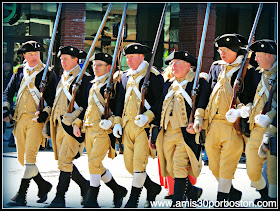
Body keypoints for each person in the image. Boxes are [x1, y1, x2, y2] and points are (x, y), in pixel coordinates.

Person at [203, 33, 259, 206]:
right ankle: (232, 192)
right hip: (213, 123)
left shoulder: (248, 70)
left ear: (235, 51)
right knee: (213, 166)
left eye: (226, 50)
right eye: (220, 50)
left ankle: (221, 202)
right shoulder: (215, 67)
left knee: (227, 166)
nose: (222, 53)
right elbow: (209, 93)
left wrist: (239, 112)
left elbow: (252, 98)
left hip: (233, 125)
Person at [150, 51, 209, 207]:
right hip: (167, 132)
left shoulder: (198, 83)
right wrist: (153, 132)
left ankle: (177, 202)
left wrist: (197, 121)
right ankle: (192, 191)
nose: (172, 66)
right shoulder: (168, 84)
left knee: (179, 166)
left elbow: (202, 104)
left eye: (177, 62)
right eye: (171, 63)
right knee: (170, 167)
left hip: (185, 132)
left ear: (188, 65)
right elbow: (159, 108)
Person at [3, 40, 57, 206]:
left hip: (36, 120)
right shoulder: (19, 71)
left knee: (30, 158)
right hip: (20, 119)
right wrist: (6, 110)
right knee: (22, 158)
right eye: (31, 54)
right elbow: (7, 92)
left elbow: (53, 98)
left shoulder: (48, 73)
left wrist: (45, 114)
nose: (34, 57)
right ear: (24, 55)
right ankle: (43, 184)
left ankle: (21, 195)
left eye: (37, 54)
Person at [113, 43, 163, 208]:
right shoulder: (126, 76)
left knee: (139, 164)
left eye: (132, 57)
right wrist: (118, 122)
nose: (129, 60)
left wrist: (148, 117)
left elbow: (159, 102)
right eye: (127, 57)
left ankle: (133, 200)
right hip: (127, 126)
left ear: (142, 57)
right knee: (129, 165)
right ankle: (152, 187)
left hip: (144, 127)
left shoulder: (153, 75)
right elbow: (120, 100)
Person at [46, 46, 92, 208]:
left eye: (66, 59)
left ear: (76, 60)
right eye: (61, 59)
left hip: (72, 127)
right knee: (63, 161)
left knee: (65, 161)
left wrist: (77, 121)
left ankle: (60, 198)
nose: (62, 62)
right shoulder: (63, 78)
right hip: (58, 126)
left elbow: (87, 105)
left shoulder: (84, 79)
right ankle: (85, 185)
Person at [79, 52, 128, 208]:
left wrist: (112, 122)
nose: (95, 67)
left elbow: (119, 107)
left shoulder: (113, 84)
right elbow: (88, 107)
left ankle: (92, 199)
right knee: (93, 164)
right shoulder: (92, 84)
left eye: (99, 65)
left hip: (103, 130)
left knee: (94, 162)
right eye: (94, 65)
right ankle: (117, 189)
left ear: (108, 67)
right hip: (89, 128)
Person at [238, 39, 277, 204]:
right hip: (255, 130)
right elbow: (249, 96)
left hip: (273, 129)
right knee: (252, 170)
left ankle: (272, 200)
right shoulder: (257, 74)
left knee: (272, 170)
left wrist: (270, 116)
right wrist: (245, 108)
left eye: (258, 56)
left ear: (269, 55)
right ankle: (264, 193)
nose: (255, 59)